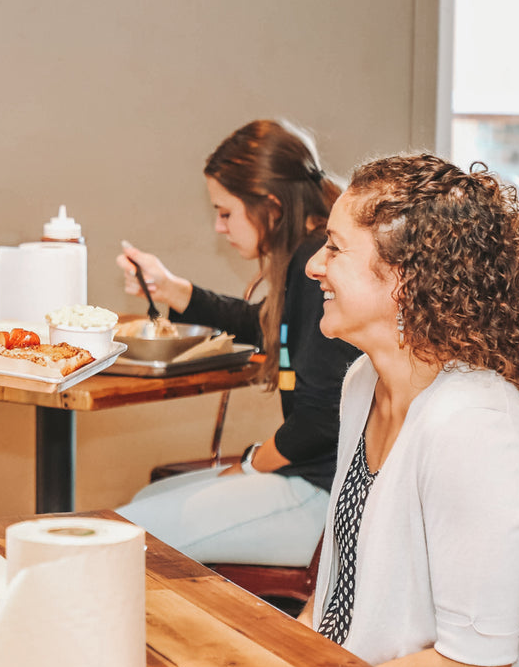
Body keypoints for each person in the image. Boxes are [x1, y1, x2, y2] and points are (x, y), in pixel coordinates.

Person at [299, 154, 519, 667]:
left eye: (334, 247)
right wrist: (283, 665)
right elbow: (334, 592)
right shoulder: (364, 383)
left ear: (404, 280)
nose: (313, 265)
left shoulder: (474, 429)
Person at [114, 119, 360, 566]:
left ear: (269, 205)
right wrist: (171, 288)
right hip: (311, 478)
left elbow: (323, 419)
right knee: (148, 500)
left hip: (324, 495)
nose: (219, 227)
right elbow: (262, 322)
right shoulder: (309, 252)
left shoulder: (313, 262)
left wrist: (249, 463)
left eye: (225, 212)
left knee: (118, 538)